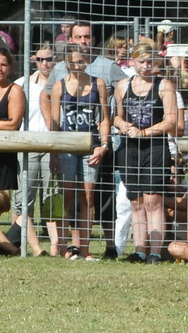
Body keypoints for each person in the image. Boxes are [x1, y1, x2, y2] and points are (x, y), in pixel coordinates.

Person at [111, 43, 181, 263]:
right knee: (136, 201)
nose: (146, 66)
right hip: (130, 148)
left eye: (150, 62)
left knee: (153, 201)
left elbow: (171, 121)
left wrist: (144, 132)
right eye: (141, 61)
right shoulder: (123, 85)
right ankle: (139, 250)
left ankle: (155, 252)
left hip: (155, 148)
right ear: (132, 62)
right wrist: (123, 126)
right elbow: (116, 116)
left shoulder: (164, 85)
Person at [45, 44, 110, 259]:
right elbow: (55, 122)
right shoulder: (59, 86)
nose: (76, 65)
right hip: (65, 145)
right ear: (65, 62)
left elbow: (104, 119)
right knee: (67, 195)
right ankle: (63, 245)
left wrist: (104, 144)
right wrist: (53, 153)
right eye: (72, 62)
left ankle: (84, 248)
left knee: (88, 196)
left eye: (80, 61)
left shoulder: (97, 84)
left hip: (90, 144)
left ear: (87, 61)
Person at [23, 45, 58, 256]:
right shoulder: (24, 84)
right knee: (25, 198)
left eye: (49, 59)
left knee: (52, 197)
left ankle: (55, 246)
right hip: (27, 144)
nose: (45, 63)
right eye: (40, 59)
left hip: (53, 145)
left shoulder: (62, 83)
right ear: (34, 60)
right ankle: (36, 248)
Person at [0, 50, 22, 249]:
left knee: (2, 201)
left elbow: (13, 123)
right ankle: (8, 246)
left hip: (4, 154)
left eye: (3, 64)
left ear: (10, 67)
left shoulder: (14, 91)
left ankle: (9, 247)